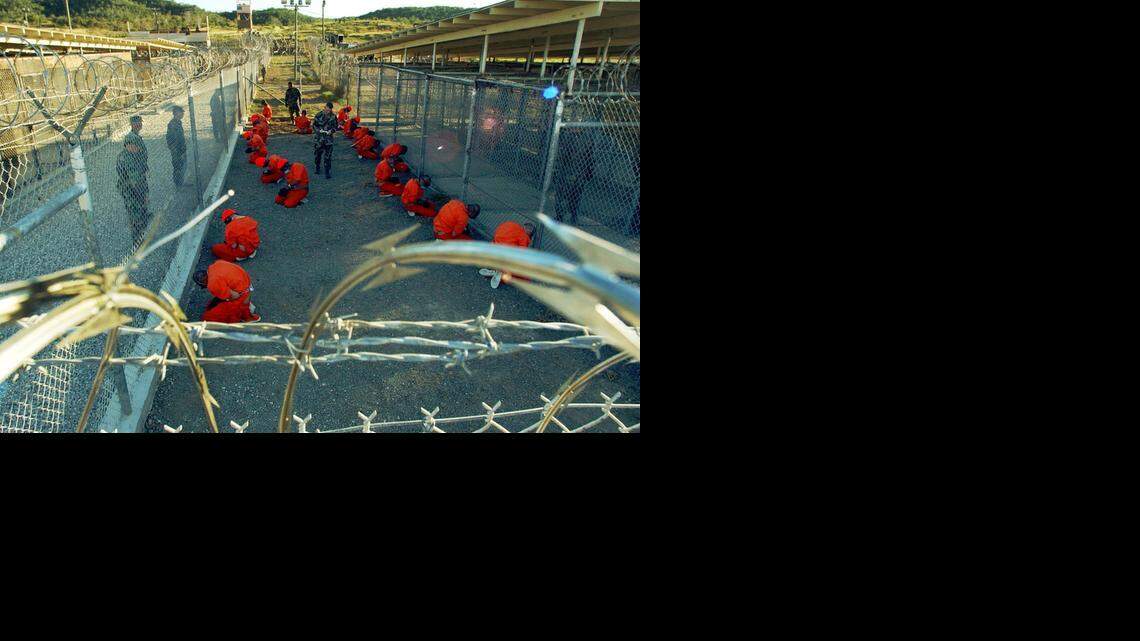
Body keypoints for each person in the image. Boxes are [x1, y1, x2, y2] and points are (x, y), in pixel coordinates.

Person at [116, 116, 150, 247]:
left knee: (140, 213)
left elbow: (141, 161)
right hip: (132, 189)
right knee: (135, 215)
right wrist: (143, 194)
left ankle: (140, 237)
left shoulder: (134, 144)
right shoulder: (128, 157)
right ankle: (137, 242)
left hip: (136, 186)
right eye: (136, 123)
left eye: (139, 123)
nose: (138, 125)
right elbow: (134, 179)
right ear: (128, 145)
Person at [194, 260, 259, 323]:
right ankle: (245, 308)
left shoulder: (212, 283)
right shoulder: (216, 264)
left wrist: (226, 300)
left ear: (204, 282)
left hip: (241, 294)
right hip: (246, 285)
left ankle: (242, 313)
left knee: (207, 317)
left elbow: (235, 296)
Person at [479, 221, 537, 288]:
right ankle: (502, 273)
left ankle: (494, 267)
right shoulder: (524, 237)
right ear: (530, 234)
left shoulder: (512, 224)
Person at [313, 101, 337, 179]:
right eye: (327, 109)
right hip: (319, 139)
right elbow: (314, 126)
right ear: (325, 107)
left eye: (329, 110)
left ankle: (327, 171)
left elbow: (335, 126)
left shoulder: (333, 116)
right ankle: (317, 167)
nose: (328, 111)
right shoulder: (318, 115)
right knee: (318, 155)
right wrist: (318, 130)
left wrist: (331, 131)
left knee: (328, 157)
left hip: (328, 140)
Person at [166, 105, 186, 187]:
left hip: (180, 149)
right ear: (177, 113)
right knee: (177, 166)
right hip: (177, 150)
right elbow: (171, 139)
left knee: (181, 166)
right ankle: (178, 184)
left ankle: (180, 182)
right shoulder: (172, 124)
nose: (183, 114)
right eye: (181, 112)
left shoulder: (178, 122)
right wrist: (177, 151)